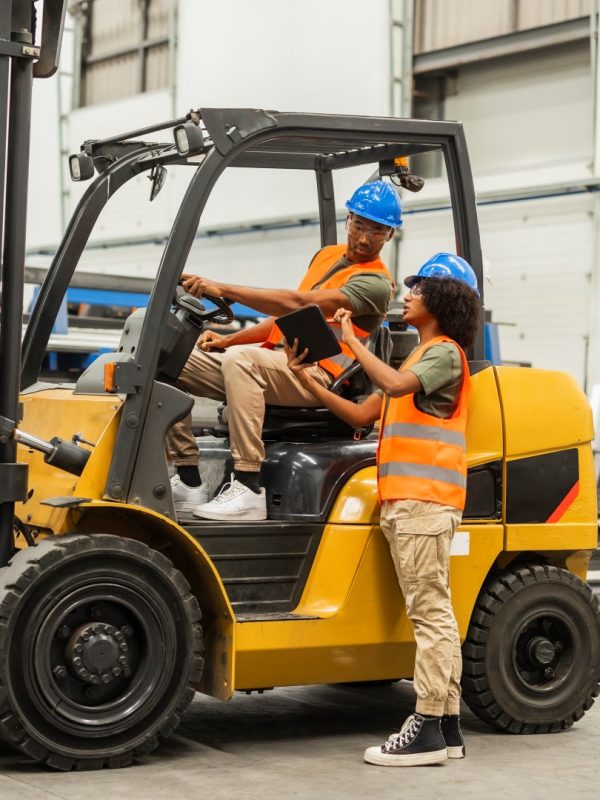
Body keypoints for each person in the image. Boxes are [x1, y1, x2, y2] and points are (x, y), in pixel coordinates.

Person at [286, 252, 481, 767]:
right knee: (435, 612)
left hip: (423, 503)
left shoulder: (444, 354)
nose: (408, 292)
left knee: (430, 614)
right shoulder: (417, 361)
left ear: (443, 300)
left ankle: (428, 729)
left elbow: (392, 388)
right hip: (407, 503)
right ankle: (450, 727)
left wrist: (351, 340)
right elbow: (360, 412)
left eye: (419, 286)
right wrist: (306, 377)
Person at [167, 180, 402, 521]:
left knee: (242, 361)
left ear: (390, 235)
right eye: (359, 225)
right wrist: (228, 339)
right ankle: (188, 479)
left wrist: (225, 289)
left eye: (377, 231)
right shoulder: (326, 256)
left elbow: (298, 302)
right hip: (279, 365)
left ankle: (247, 485)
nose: (365, 238)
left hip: (315, 375)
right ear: (348, 219)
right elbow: (286, 317)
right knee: (173, 358)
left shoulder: (376, 284)